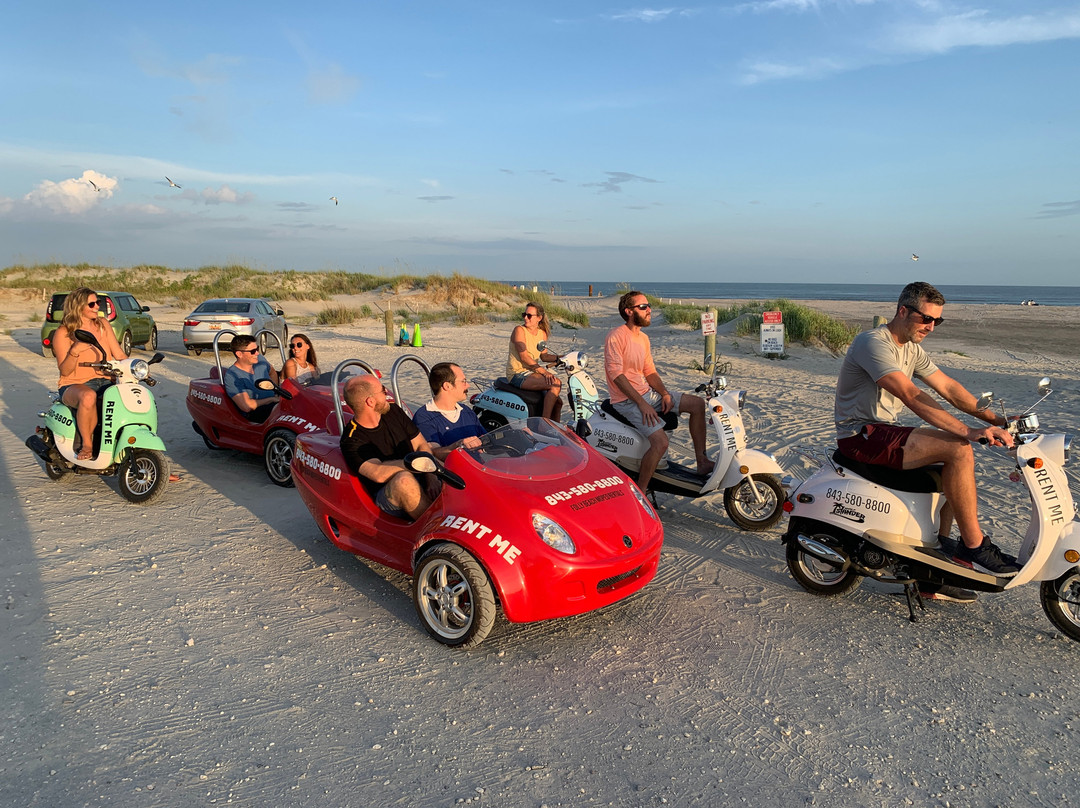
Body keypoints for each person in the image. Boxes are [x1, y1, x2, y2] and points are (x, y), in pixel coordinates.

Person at [835, 281, 1018, 580]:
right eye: (926, 319)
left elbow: (949, 388)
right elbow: (910, 394)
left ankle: (938, 554)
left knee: (953, 461)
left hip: (885, 431)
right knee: (957, 448)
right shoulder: (872, 343)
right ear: (903, 312)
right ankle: (974, 546)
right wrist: (967, 431)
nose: (931, 327)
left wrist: (997, 420)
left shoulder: (911, 348)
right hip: (859, 436)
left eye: (937, 321)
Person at [604, 290, 715, 493]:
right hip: (626, 401)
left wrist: (664, 393)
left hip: (648, 394)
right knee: (660, 443)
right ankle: (641, 492)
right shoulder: (616, 336)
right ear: (629, 311)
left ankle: (702, 461)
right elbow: (616, 375)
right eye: (643, 307)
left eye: (649, 306)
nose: (649, 310)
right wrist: (642, 403)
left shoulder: (643, 338)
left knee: (697, 404)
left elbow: (649, 371)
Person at [341, 374, 438, 520]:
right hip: (388, 495)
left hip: (420, 472)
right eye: (383, 390)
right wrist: (420, 465)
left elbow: (420, 444)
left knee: (451, 463)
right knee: (403, 481)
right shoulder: (352, 439)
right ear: (370, 401)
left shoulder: (393, 411)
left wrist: (431, 476)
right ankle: (435, 525)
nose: (387, 393)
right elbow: (378, 473)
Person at [52, 287, 127, 460]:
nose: (97, 307)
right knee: (88, 396)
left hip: (106, 380)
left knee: (131, 397)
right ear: (78, 307)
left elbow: (119, 354)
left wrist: (136, 367)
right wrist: (75, 350)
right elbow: (65, 370)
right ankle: (87, 444)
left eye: (98, 302)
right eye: (92, 304)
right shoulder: (64, 333)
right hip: (74, 384)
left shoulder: (103, 324)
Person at [412, 362, 485, 459]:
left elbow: (486, 438)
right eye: (463, 381)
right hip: (450, 468)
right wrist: (458, 446)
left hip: (479, 466)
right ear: (447, 386)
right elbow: (432, 453)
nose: (468, 385)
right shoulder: (424, 417)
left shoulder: (466, 411)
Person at [506, 302, 564, 421]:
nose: (525, 318)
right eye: (524, 314)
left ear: (539, 318)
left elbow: (544, 356)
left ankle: (555, 428)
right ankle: (544, 423)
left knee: (558, 402)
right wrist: (544, 372)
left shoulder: (542, 334)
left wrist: (563, 358)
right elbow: (524, 357)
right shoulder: (519, 330)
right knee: (555, 383)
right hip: (517, 373)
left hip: (531, 372)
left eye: (529, 315)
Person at [223, 335, 280, 423]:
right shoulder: (233, 376)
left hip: (274, 404)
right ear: (239, 354)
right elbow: (246, 406)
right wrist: (271, 399)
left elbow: (272, 372)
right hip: (255, 413)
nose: (257, 353)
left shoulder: (259, 359)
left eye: (257, 349)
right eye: (253, 351)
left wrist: (275, 391)